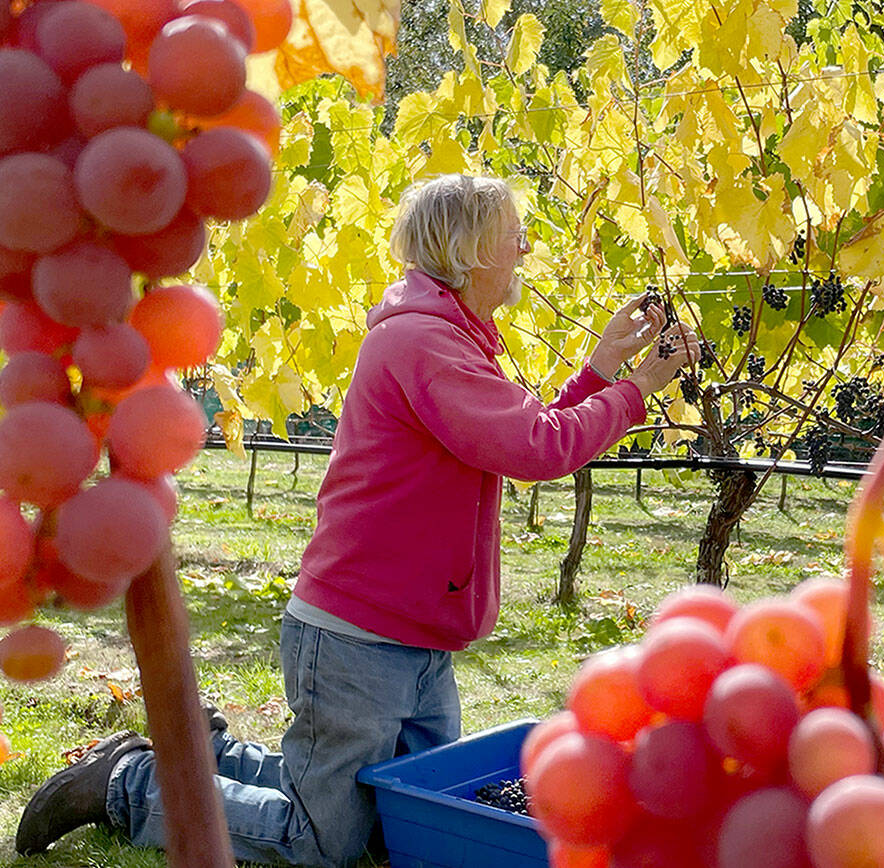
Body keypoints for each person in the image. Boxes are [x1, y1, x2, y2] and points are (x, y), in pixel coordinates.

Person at [16, 174, 699, 866]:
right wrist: (638, 389)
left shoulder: (451, 338)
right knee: (323, 840)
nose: (524, 249)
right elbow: (537, 447)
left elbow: (521, 427)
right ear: (466, 252)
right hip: (361, 637)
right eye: (511, 237)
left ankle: (202, 753)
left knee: (399, 813)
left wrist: (603, 366)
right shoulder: (425, 345)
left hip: (413, 635)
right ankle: (125, 783)